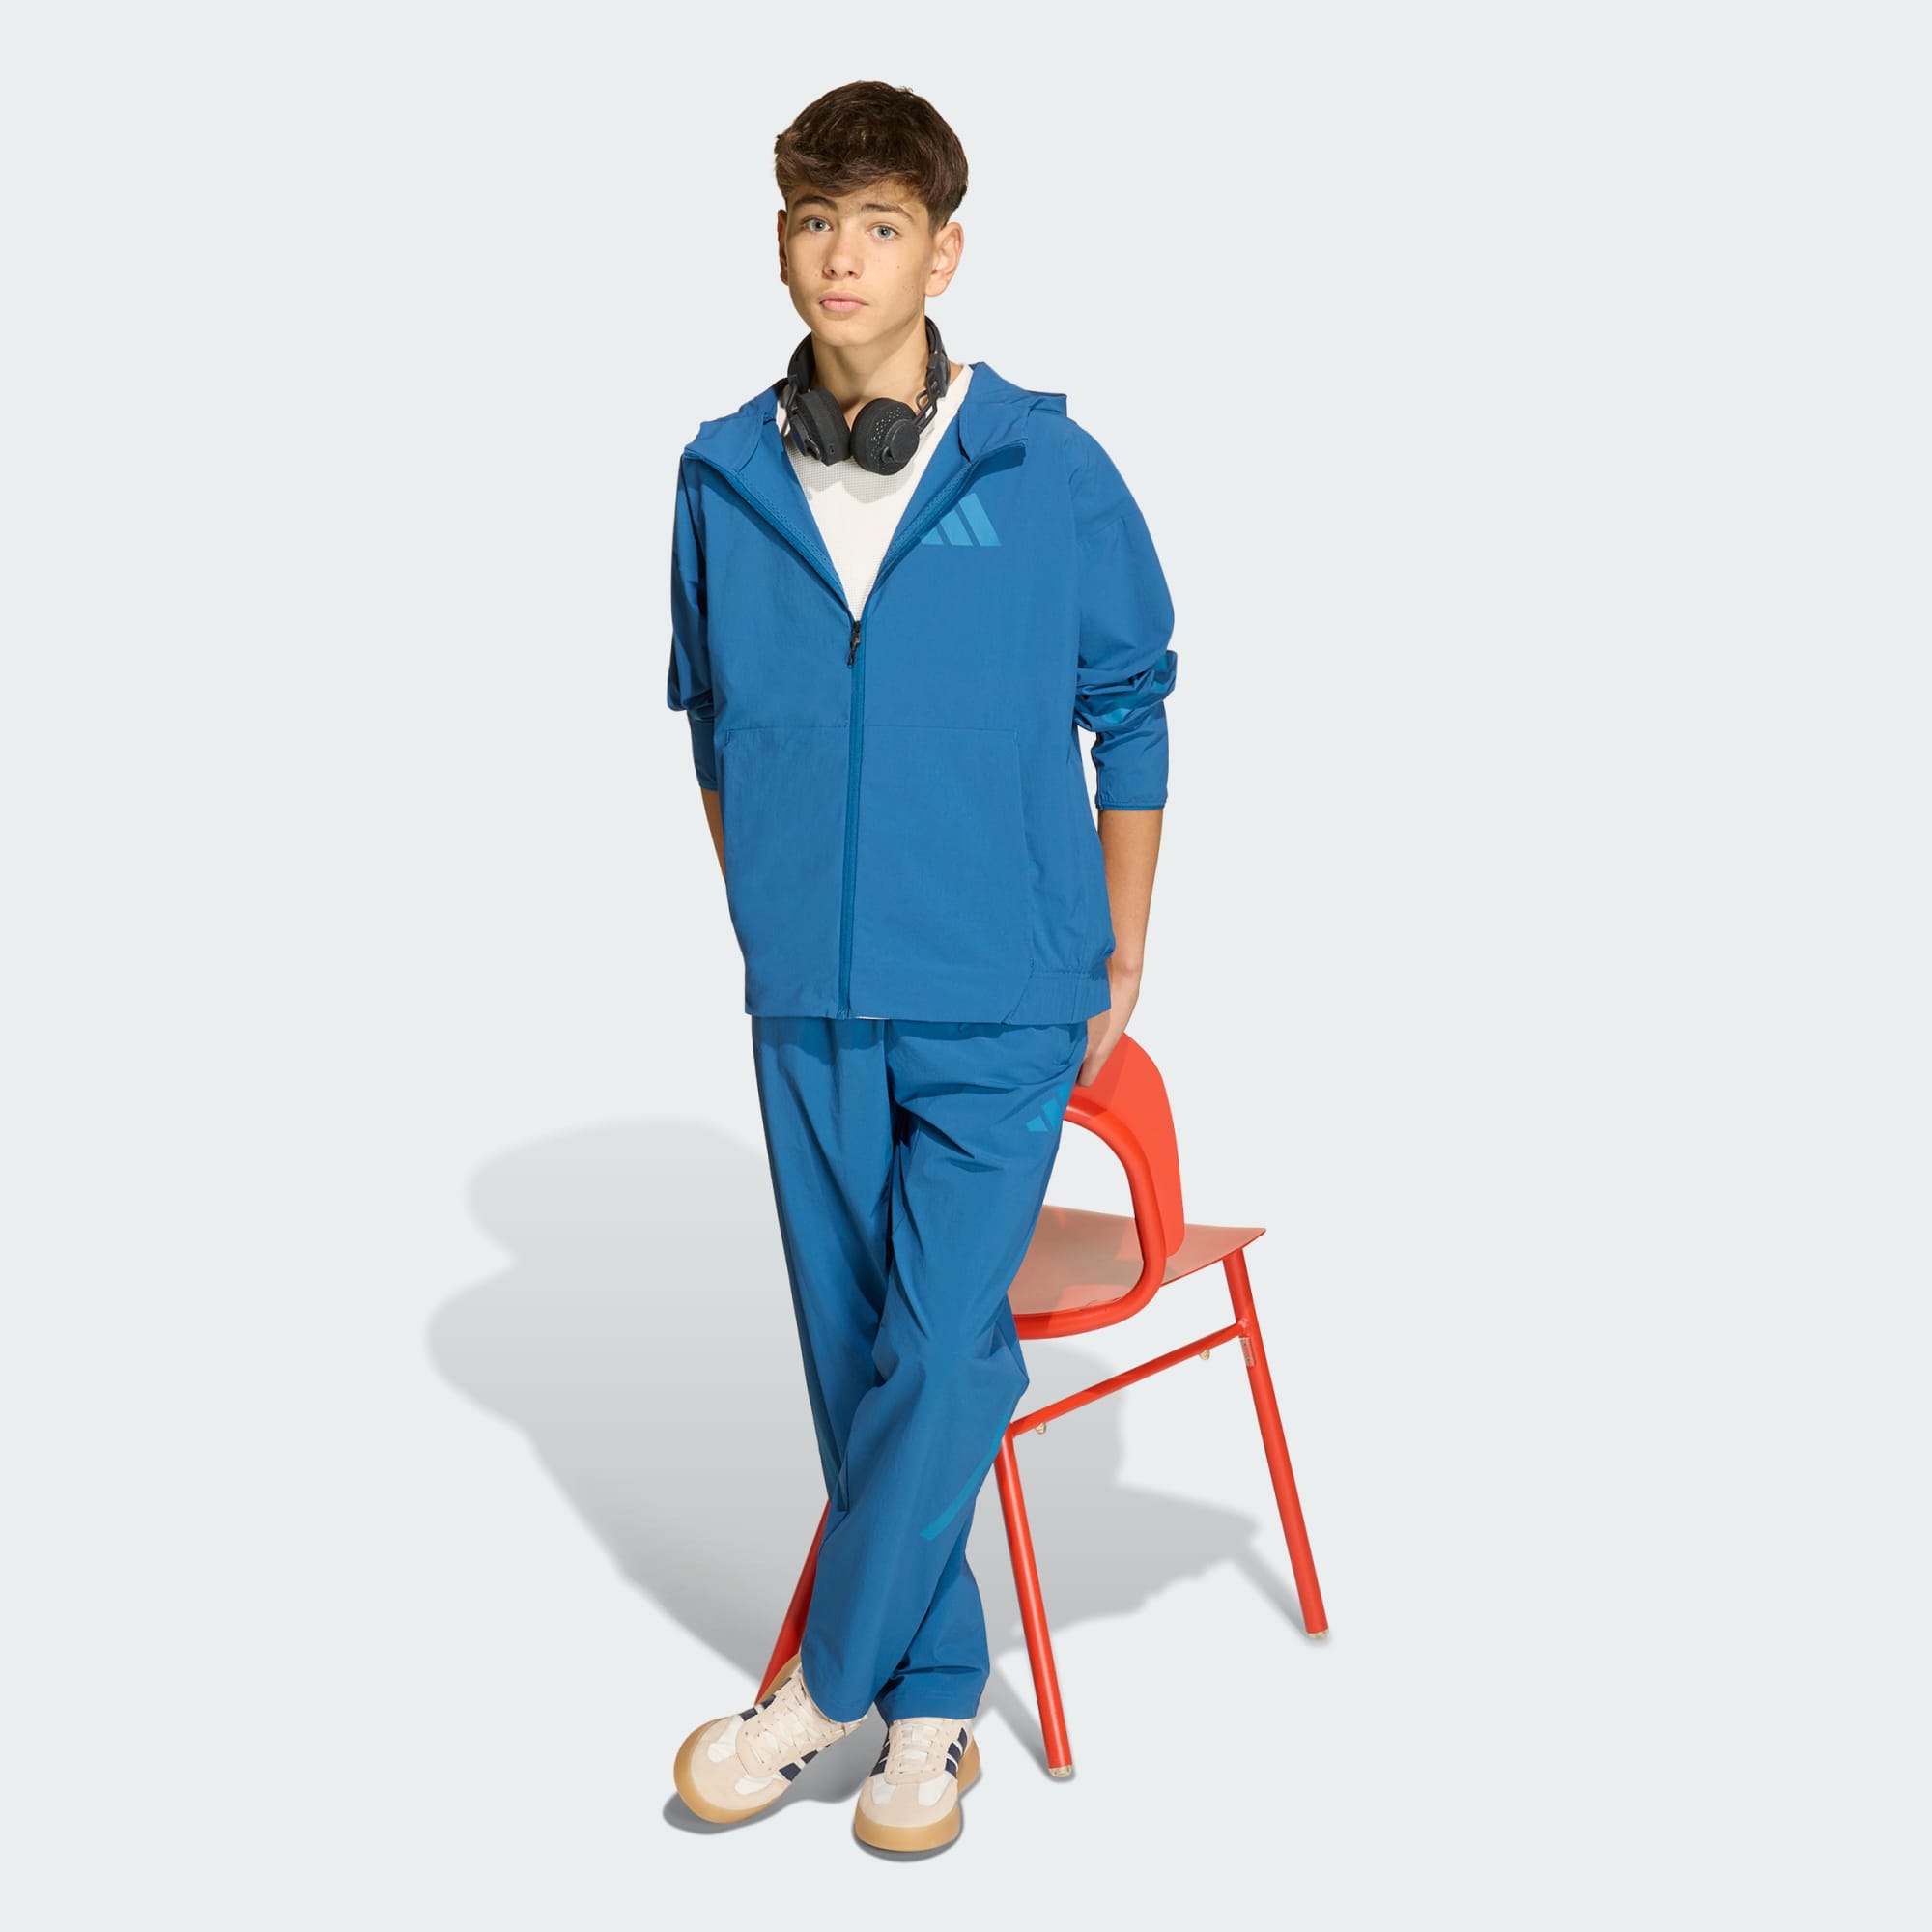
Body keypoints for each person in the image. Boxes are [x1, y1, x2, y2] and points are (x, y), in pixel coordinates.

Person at [666, 79, 1179, 1853]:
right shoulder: (721, 473)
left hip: (1003, 989)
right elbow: (713, 719)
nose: (842, 256)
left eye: (878, 224)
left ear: (942, 252)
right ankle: (938, 1710)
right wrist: (768, 916)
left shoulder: (1045, 465)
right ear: (781, 242)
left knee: (945, 1346)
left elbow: (1133, 703)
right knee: (854, 1354)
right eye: (815, 220)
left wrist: (1120, 946)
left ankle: (822, 1691)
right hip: (808, 995)